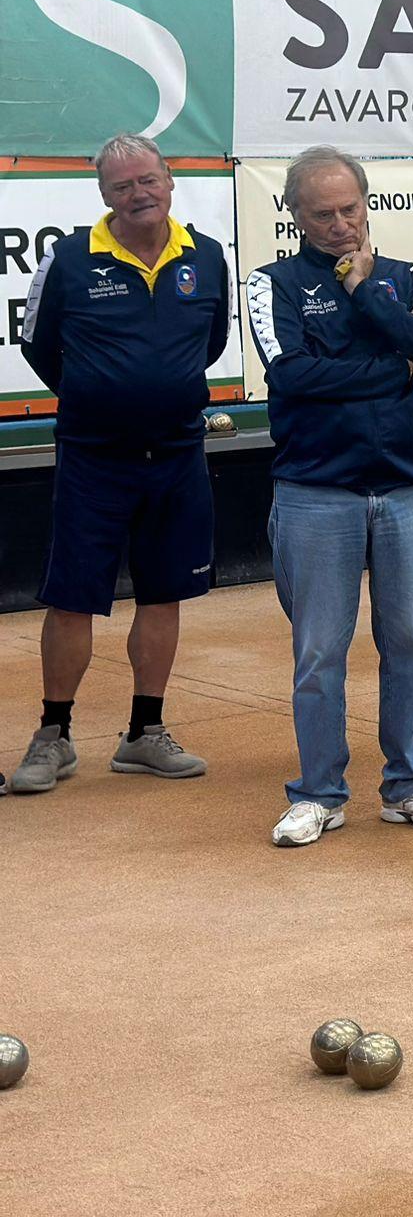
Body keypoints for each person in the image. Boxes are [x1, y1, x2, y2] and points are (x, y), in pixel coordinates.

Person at [247, 145, 413, 847]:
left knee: (408, 640)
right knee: (318, 650)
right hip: (315, 491)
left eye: (351, 209)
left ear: (367, 203)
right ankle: (318, 793)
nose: (341, 224)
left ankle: (411, 785)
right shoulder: (270, 283)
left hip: (406, 484)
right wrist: (390, 365)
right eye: (323, 213)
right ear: (295, 214)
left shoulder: (401, 277)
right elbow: (292, 378)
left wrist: (371, 296)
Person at [10, 133, 229, 795]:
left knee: (164, 593)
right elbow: (38, 347)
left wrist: (158, 388)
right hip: (93, 458)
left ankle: (144, 735)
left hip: (176, 454)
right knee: (73, 597)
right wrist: (100, 393)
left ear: (170, 181)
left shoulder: (208, 257)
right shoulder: (70, 260)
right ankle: (54, 736)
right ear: (103, 194)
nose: (138, 194)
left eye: (147, 181)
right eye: (121, 186)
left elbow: (209, 343)